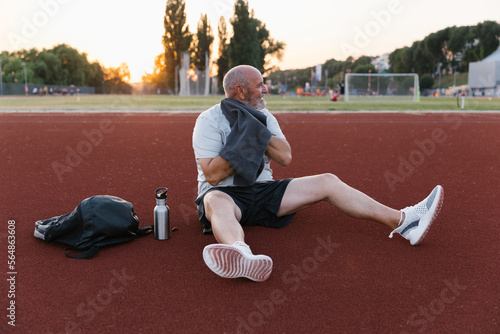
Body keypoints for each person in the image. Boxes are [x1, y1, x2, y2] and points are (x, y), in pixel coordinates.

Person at [192, 65, 444, 282]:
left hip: (263, 191)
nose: (266, 89)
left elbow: (285, 156)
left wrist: (254, 127)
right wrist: (244, 134)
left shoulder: (263, 117)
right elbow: (213, 175)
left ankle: (404, 221)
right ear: (241, 91)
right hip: (225, 194)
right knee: (214, 200)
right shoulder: (209, 120)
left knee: (328, 181)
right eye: (260, 85)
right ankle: (241, 253)